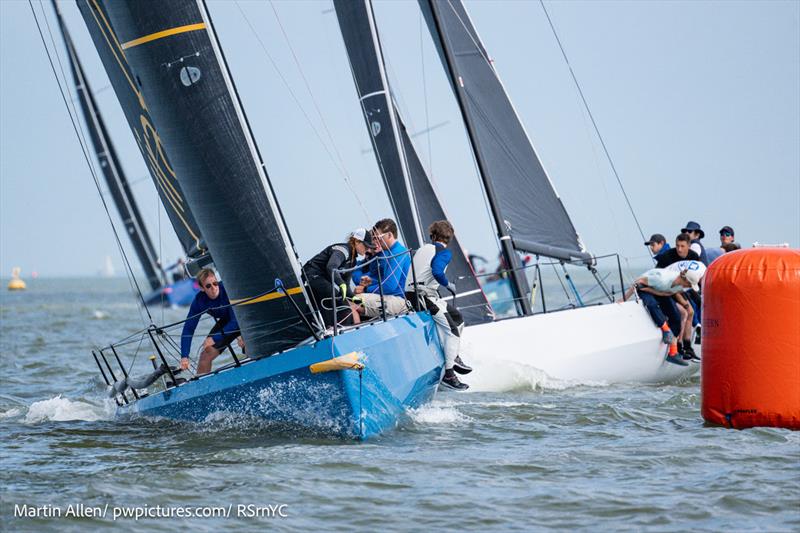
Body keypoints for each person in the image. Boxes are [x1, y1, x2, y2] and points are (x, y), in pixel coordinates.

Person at [405, 220, 472, 391]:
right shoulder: (443, 252)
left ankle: (453, 355)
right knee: (452, 330)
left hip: (413, 294)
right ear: (449, 238)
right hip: (422, 297)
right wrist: (447, 284)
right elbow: (436, 271)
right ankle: (449, 375)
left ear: (432, 235)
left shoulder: (422, 249)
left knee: (457, 318)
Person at [623, 267, 704, 366]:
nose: (689, 287)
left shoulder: (680, 286)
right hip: (643, 286)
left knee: (676, 317)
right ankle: (666, 330)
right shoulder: (662, 279)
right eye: (689, 284)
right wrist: (624, 299)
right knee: (652, 304)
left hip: (657, 290)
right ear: (685, 279)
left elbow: (664, 293)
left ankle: (673, 353)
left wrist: (651, 290)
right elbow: (637, 282)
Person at [180, 269, 243, 375]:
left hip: (242, 317)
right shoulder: (199, 301)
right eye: (208, 286)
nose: (214, 288)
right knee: (205, 354)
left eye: (215, 283)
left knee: (246, 344)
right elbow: (188, 329)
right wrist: (184, 356)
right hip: (226, 322)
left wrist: (214, 338)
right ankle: (202, 387)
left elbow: (236, 322)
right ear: (202, 288)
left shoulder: (227, 289)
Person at [303, 229, 370, 327]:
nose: (368, 249)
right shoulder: (343, 250)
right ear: (357, 241)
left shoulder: (353, 261)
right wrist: (340, 283)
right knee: (343, 306)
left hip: (322, 279)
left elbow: (346, 284)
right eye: (366, 246)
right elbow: (331, 267)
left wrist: (353, 297)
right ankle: (336, 333)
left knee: (340, 304)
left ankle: (332, 330)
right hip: (311, 275)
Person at [354, 219, 411, 318]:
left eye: (377, 238)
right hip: (395, 297)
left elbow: (389, 286)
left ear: (389, 235)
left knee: (355, 301)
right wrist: (370, 282)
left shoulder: (396, 254)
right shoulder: (393, 252)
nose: (375, 242)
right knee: (354, 299)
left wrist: (366, 289)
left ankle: (354, 332)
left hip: (400, 301)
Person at [664, 259, 707, 361]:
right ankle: (679, 347)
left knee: (691, 312)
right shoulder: (691, 276)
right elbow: (681, 290)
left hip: (680, 283)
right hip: (669, 284)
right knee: (684, 313)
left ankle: (688, 348)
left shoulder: (702, 271)